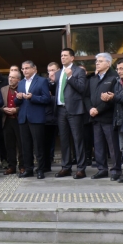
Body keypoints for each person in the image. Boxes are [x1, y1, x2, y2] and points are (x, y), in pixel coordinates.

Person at [84, 53, 122, 181]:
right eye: (96, 61)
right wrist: (90, 109)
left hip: (108, 116)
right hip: (95, 117)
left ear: (108, 63)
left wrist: (98, 109)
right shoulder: (93, 78)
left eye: (100, 61)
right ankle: (102, 169)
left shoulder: (114, 77)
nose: (97, 63)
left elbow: (114, 97)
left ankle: (116, 170)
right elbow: (86, 96)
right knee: (98, 145)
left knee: (113, 145)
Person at [54, 48, 88, 179]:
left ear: (72, 58)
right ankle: (66, 167)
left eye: (65, 55)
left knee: (77, 139)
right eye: (61, 55)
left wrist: (70, 76)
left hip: (74, 109)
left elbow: (81, 88)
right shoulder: (57, 73)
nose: (63, 57)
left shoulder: (78, 71)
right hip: (60, 109)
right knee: (63, 140)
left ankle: (81, 169)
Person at [14, 61, 51, 179]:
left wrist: (32, 97)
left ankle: (40, 169)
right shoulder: (21, 83)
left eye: (27, 68)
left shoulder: (42, 81)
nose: (24, 71)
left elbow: (47, 99)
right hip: (23, 118)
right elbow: (17, 102)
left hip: (36, 117)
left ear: (34, 69)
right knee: (25, 146)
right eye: (22, 69)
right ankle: (28, 169)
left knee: (38, 145)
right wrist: (18, 98)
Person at [1, 70, 22, 175]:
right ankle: (11, 166)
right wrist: (3, 109)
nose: (10, 79)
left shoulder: (22, 88)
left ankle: (22, 166)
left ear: (18, 79)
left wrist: (16, 110)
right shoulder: (3, 89)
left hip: (19, 120)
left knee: (21, 144)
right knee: (9, 145)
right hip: (7, 120)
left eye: (13, 77)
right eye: (9, 77)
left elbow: (25, 104)